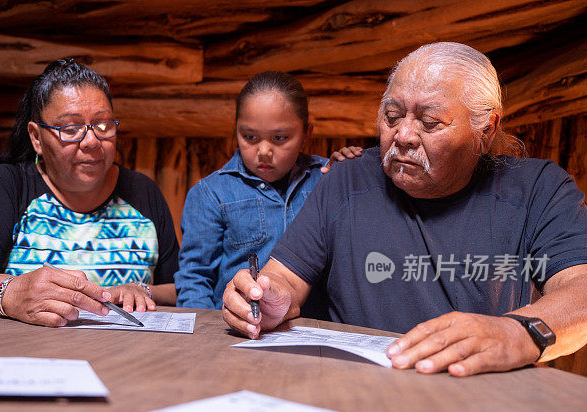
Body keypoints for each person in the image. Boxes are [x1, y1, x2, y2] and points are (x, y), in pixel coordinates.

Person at [222, 42, 587, 377]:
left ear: (486, 129)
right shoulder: (345, 180)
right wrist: (268, 299)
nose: (404, 136)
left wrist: (516, 332)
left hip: (477, 395)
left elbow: (580, 289)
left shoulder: (539, 189)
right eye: (393, 116)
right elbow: (284, 278)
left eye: (430, 123)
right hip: (354, 390)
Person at [0, 59, 179, 326]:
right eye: (71, 129)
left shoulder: (142, 192)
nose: (92, 141)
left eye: (104, 125)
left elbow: (181, 288)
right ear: (36, 138)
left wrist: (142, 290)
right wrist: (14, 293)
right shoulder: (8, 185)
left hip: (127, 359)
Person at [176, 71, 361, 310]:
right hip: (239, 333)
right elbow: (194, 281)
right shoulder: (211, 194)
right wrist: (205, 340)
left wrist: (353, 173)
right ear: (236, 131)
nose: (264, 150)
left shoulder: (327, 179)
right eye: (250, 137)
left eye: (280, 138)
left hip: (317, 332)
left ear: (306, 134)